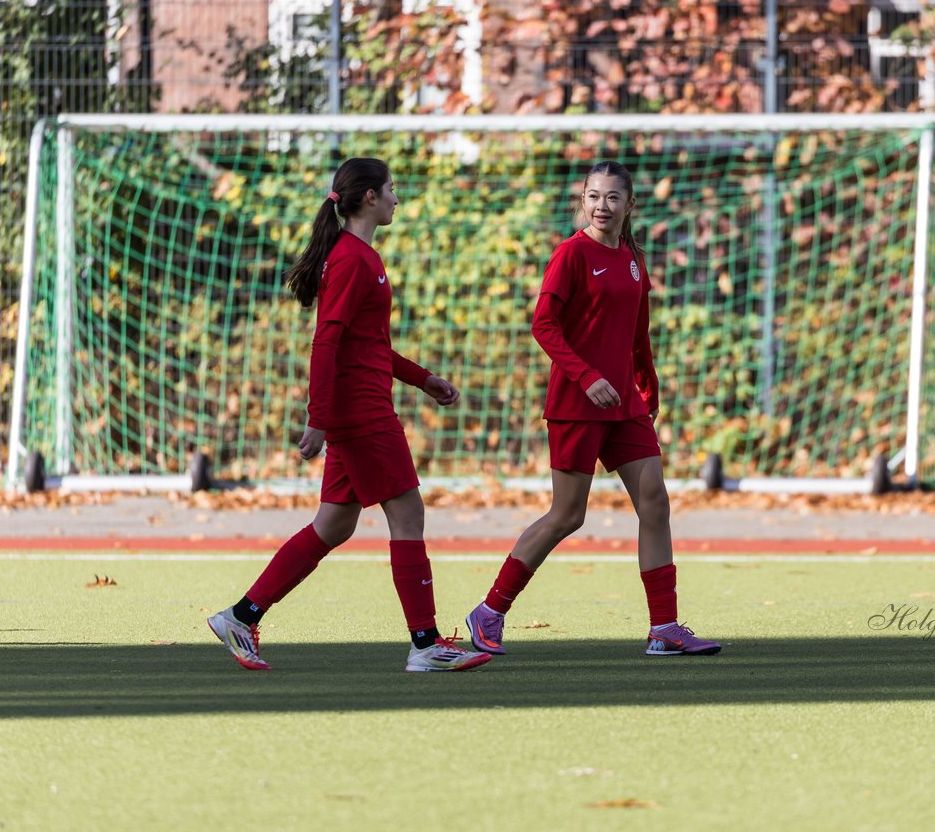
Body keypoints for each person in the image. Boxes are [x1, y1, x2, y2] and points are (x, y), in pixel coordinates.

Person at [207, 157, 491, 673]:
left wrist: (422, 378)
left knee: (334, 525)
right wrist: (319, 418)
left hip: (362, 403)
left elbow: (368, 345)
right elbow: (327, 342)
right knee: (407, 514)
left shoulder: (362, 256)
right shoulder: (352, 259)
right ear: (369, 198)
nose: (396, 199)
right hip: (360, 411)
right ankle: (426, 645)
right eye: (391, 190)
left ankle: (241, 616)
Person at [464, 160, 721, 657]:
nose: (602, 206)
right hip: (577, 402)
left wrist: (647, 383)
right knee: (567, 515)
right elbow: (544, 326)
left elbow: (636, 331)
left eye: (612, 197)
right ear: (582, 201)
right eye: (593, 196)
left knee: (655, 501)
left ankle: (664, 629)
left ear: (630, 205)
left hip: (625, 405)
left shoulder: (632, 258)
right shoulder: (571, 254)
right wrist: (588, 377)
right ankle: (490, 611)